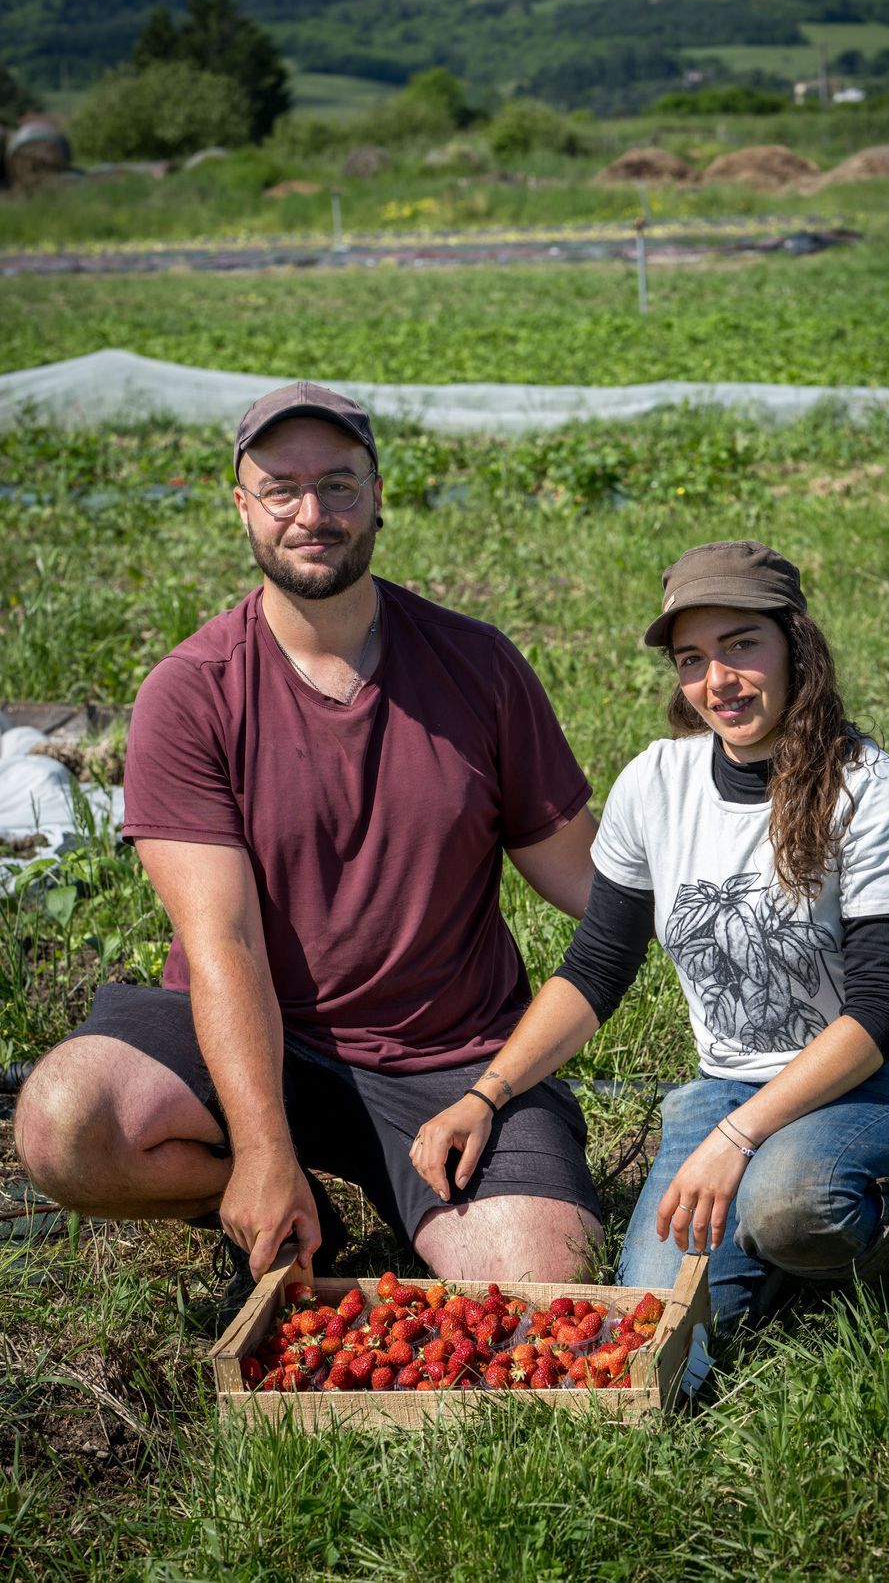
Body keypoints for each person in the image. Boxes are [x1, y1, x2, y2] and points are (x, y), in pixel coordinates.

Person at [12, 382, 604, 1311]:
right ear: (242, 506)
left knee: (548, 1282)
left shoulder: (477, 665)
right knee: (62, 1124)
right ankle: (263, 1191)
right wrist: (260, 1149)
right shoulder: (193, 690)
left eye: (336, 484)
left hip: (447, 1051)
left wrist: (733, 887)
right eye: (280, 489)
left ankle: (395, 1184)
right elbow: (225, 944)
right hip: (254, 1035)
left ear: (377, 494)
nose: (311, 513)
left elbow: (589, 877)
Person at [408, 540, 889, 1361]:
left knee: (793, 1201)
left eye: (741, 645)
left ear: (797, 646)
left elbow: (882, 1014)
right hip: (734, 1087)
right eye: (692, 658)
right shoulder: (656, 783)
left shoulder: (875, 790)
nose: (718, 679)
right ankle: (788, 1250)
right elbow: (596, 968)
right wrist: (486, 1095)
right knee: (651, 1345)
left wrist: (738, 1142)